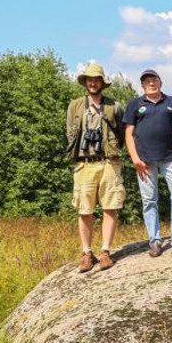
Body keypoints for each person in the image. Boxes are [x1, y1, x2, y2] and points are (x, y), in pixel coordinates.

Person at [123, 69, 172, 257]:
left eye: (154, 80)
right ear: (142, 85)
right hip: (144, 161)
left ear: (160, 82)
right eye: (147, 81)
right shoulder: (135, 104)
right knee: (149, 201)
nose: (151, 83)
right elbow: (128, 133)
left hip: (171, 158)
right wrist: (135, 159)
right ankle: (155, 241)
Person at [65, 62, 125, 272]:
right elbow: (70, 133)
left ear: (102, 82)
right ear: (85, 82)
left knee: (110, 206)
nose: (93, 83)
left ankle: (106, 251)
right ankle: (87, 253)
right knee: (84, 209)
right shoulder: (75, 106)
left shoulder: (114, 106)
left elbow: (122, 133)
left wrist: (113, 150)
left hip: (108, 161)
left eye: (96, 79)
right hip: (84, 162)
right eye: (89, 79)